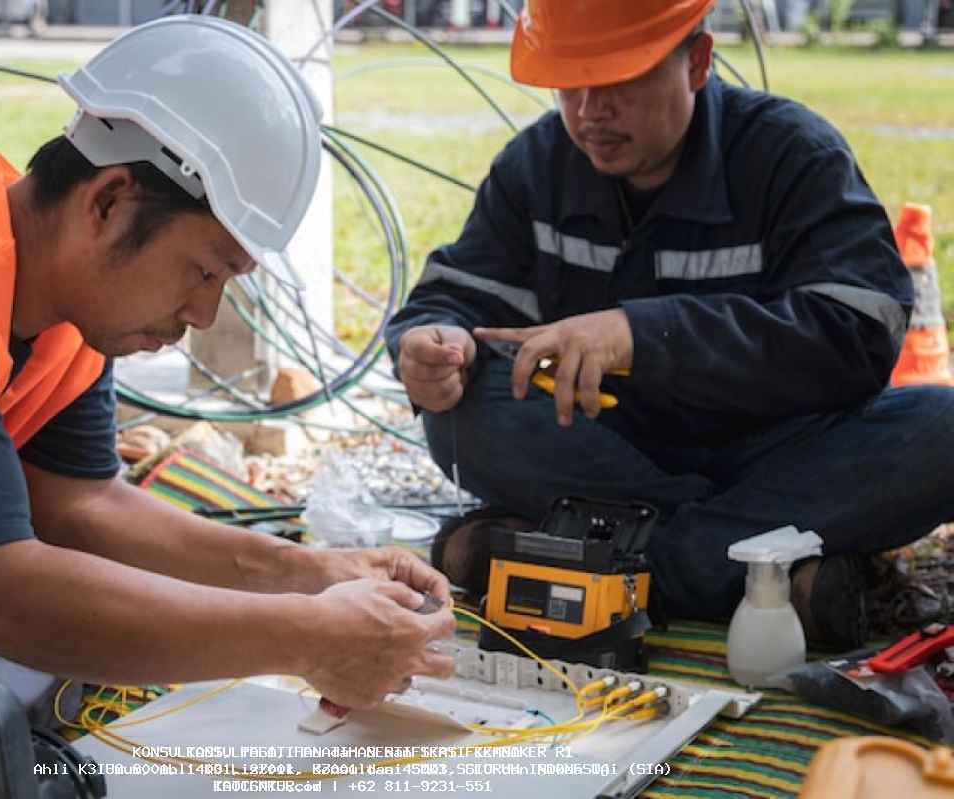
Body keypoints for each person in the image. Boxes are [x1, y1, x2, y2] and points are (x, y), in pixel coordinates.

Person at [0, 15, 454, 714]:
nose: (203, 315)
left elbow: (82, 504)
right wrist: (310, 638)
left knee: (30, 655)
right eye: (204, 271)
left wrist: (306, 575)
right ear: (110, 202)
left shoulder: (69, 308)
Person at [386, 0, 954, 650]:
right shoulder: (536, 164)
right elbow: (454, 296)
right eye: (571, 83)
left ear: (698, 62)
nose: (590, 111)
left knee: (942, 429)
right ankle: (748, 565)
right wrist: (433, 343)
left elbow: (860, 330)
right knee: (462, 414)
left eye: (619, 82)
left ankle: (591, 557)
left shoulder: (790, 152)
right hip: (612, 450)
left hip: (781, 447)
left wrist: (644, 336)